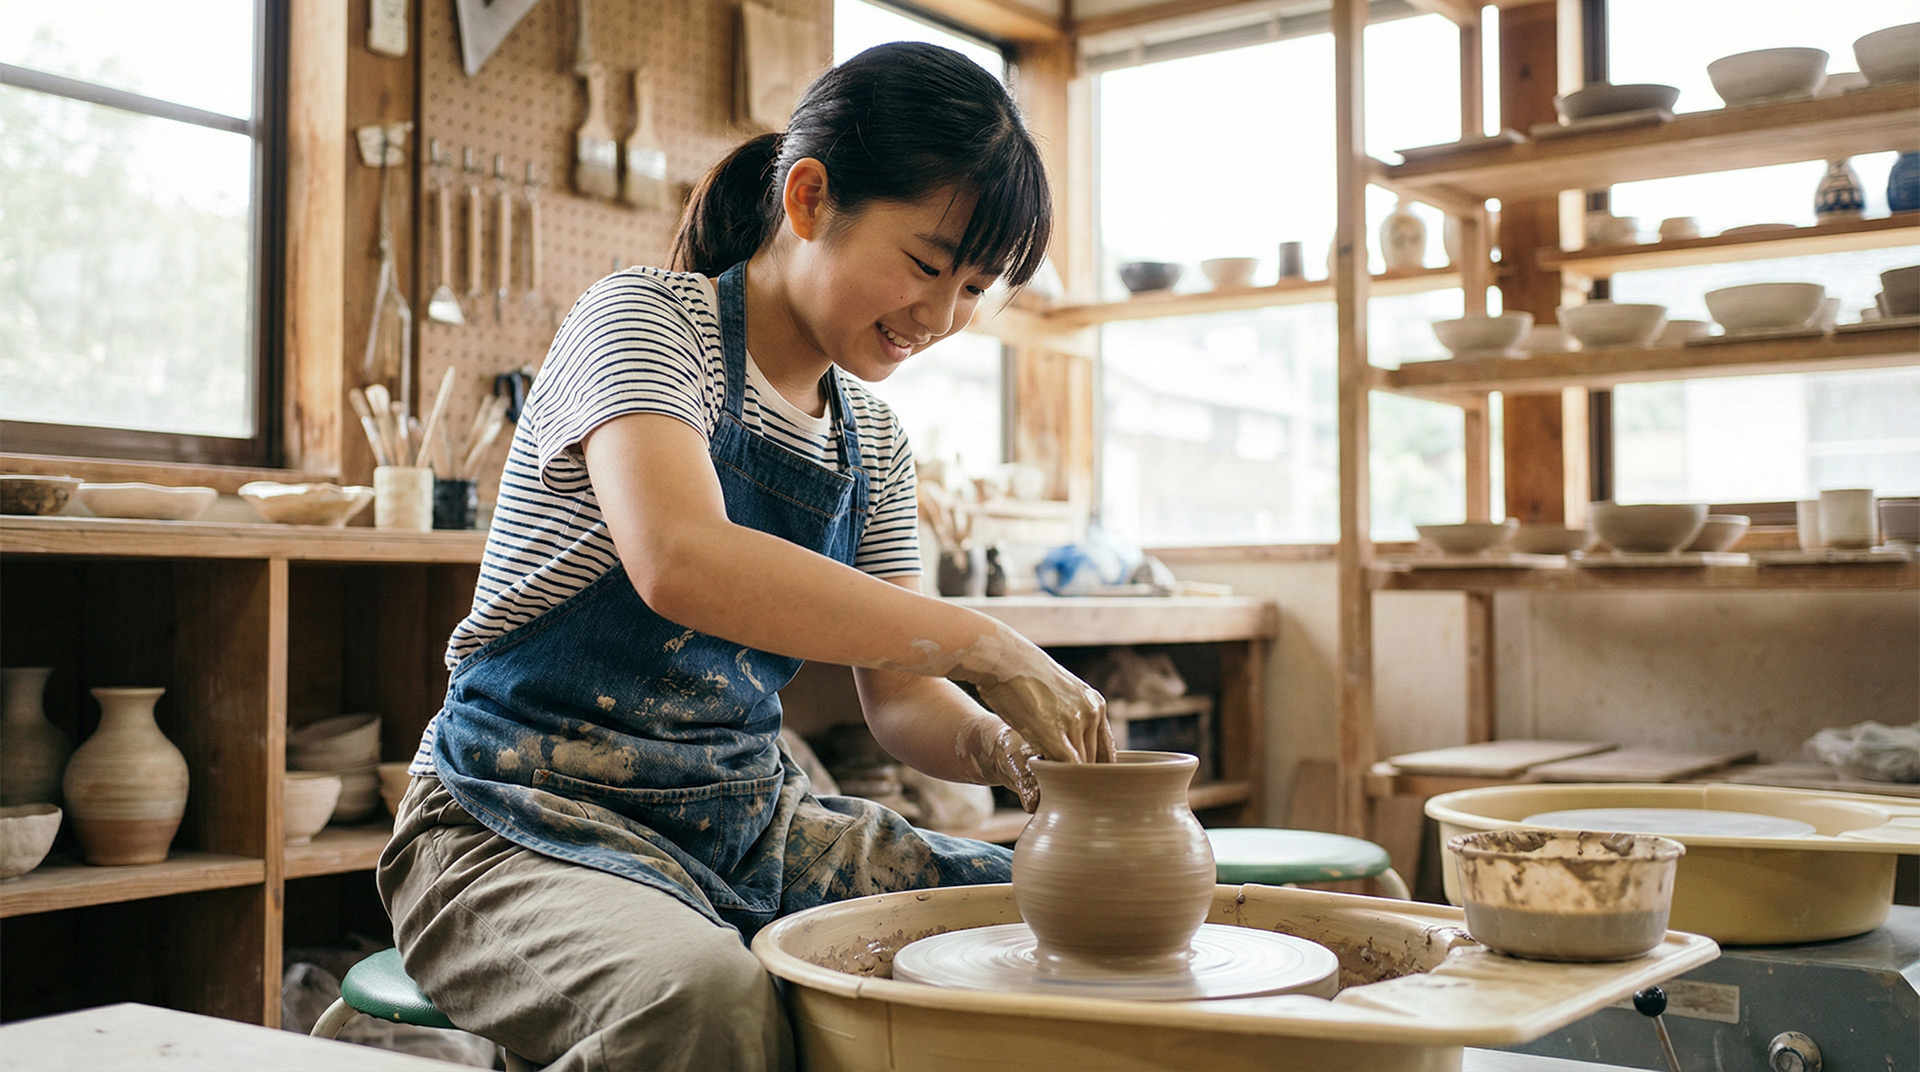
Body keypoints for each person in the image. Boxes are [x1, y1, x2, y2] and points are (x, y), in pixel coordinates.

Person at [378, 42, 1112, 1072]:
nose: (941, 317)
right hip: (513, 819)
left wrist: (1004, 750)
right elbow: (683, 560)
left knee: (1048, 920)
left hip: (742, 821)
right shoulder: (643, 323)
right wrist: (987, 644)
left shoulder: (873, 441)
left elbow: (903, 698)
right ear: (809, 198)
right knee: (706, 1001)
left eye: (977, 288)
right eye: (927, 264)